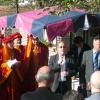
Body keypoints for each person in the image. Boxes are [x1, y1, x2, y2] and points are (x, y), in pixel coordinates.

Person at [0, 36, 23, 100]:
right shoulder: (1, 52)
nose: (12, 44)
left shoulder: (16, 51)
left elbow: (20, 61)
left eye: (12, 42)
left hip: (15, 75)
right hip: (6, 77)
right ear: (6, 44)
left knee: (16, 92)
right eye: (10, 43)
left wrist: (17, 64)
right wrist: (7, 65)